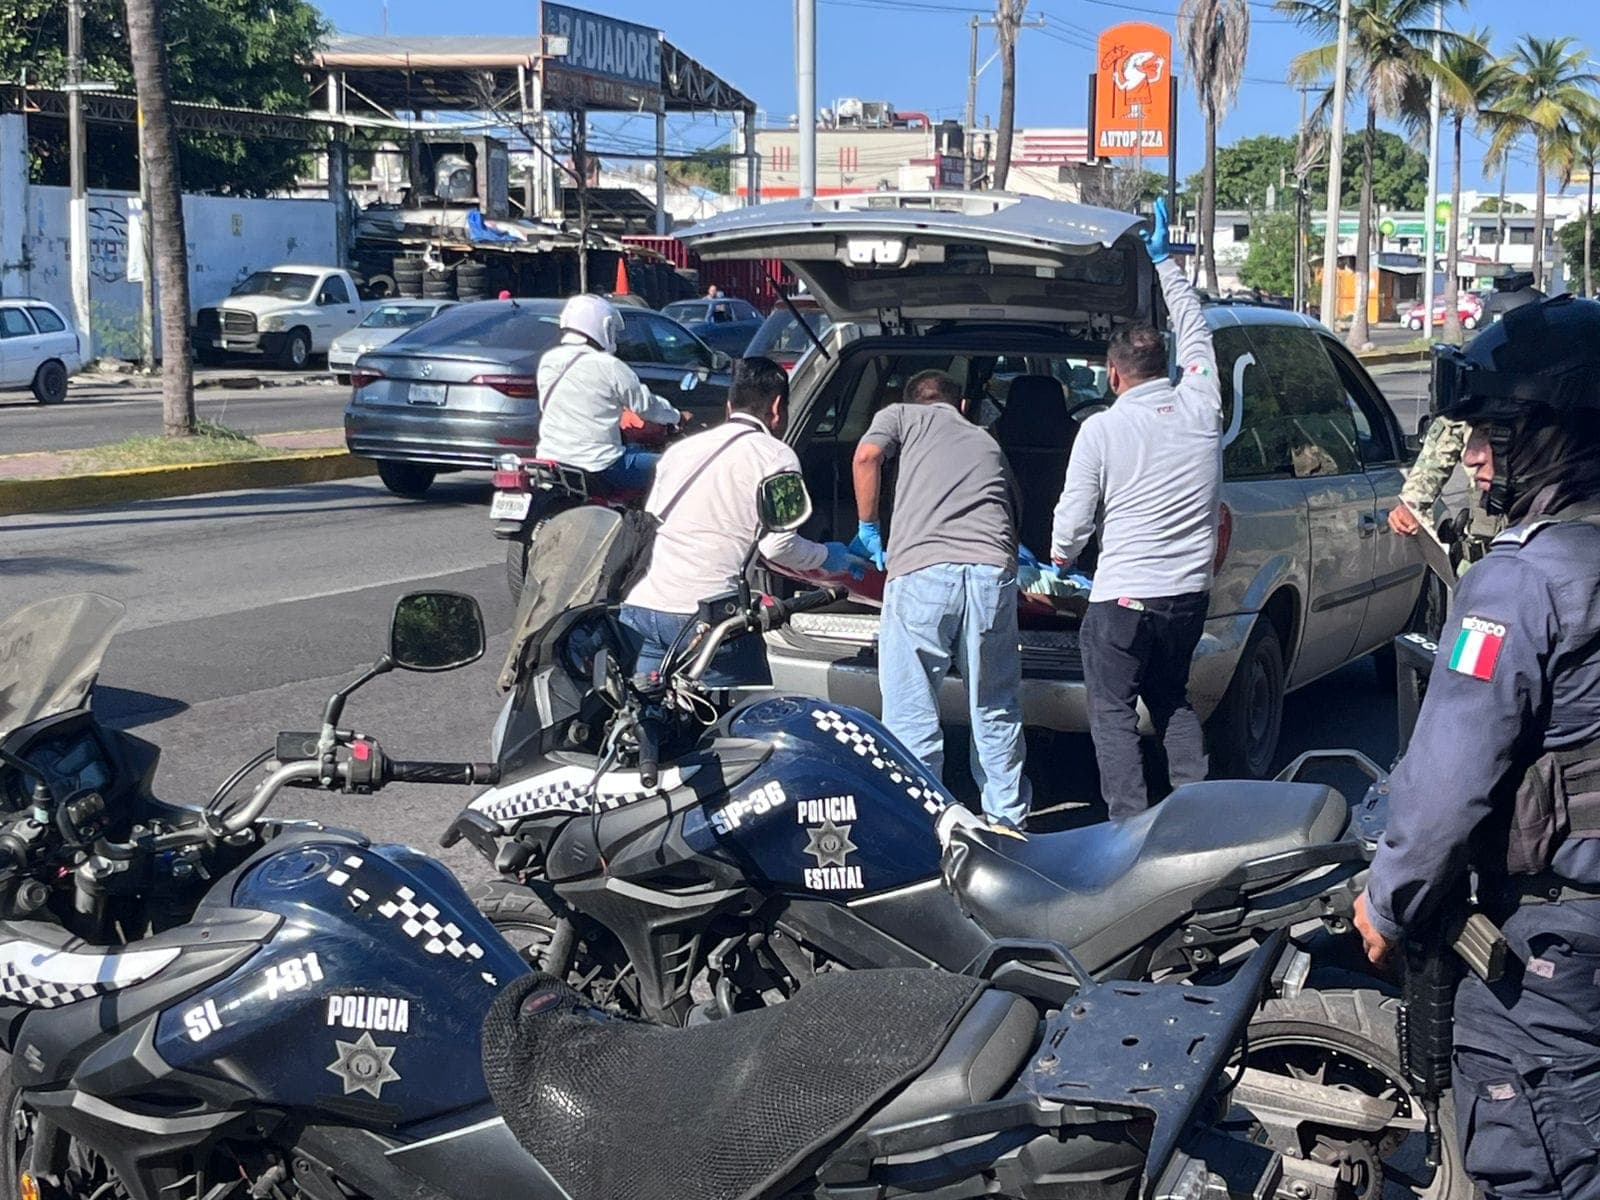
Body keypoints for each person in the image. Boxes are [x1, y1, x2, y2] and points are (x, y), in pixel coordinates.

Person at [1353, 295, 1600, 1200]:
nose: (1475, 456)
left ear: (1556, 436)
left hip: (1557, 942)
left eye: (1495, 433)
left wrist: (1386, 902)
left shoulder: (1521, 579)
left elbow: (1447, 782)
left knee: (1537, 1161)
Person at [1049, 196, 1222, 821]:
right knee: (1171, 698)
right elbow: (1196, 328)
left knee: (1114, 713)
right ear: (1163, 364)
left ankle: (1128, 827)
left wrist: (1060, 558)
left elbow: (1074, 518)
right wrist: (1165, 264)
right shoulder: (1202, 403)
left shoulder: (1100, 429)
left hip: (1121, 599)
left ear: (1113, 374)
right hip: (1187, 597)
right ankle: (1195, 815)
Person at [850, 369, 1031, 836]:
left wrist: (868, 527)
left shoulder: (900, 415)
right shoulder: (987, 441)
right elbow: (1014, 510)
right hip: (992, 574)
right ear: (962, 407)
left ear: (911, 400)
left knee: (912, 708)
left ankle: (922, 821)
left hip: (923, 572)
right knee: (994, 704)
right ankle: (1007, 822)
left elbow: (867, 455)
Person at [621, 356, 855, 687]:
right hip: (709, 621)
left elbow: (654, 520)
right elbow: (778, 546)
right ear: (777, 408)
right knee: (743, 716)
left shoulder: (680, 451)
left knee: (649, 710)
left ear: (730, 406)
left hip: (644, 609)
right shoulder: (776, 456)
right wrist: (828, 556)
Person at [533, 294, 686, 492]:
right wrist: (676, 416)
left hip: (551, 460)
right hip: (600, 465)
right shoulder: (609, 365)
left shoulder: (549, 361)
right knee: (676, 466)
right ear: (603, 327)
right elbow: (646, 406)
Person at [1388, 416, 1504, 568]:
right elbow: (1446, 436)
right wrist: (1411, 503)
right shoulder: (1472, 407)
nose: (1471, 459)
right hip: (1487, 558)